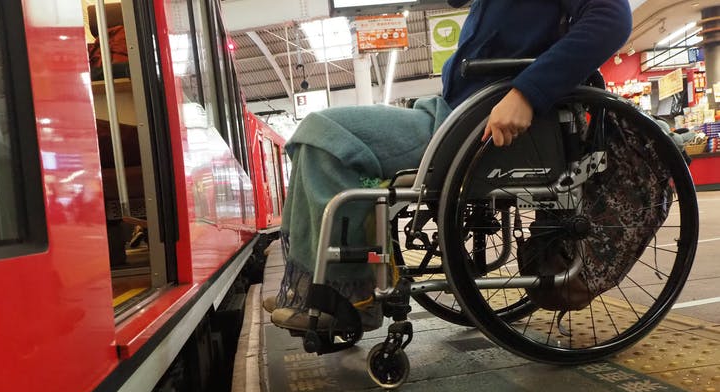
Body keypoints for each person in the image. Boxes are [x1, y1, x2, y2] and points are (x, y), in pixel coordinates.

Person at [269, 0, 633, 331]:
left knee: (322, 134)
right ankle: (305, 289)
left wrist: (527, 92)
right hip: (457, 116)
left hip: (475, 126)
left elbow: (612, 18)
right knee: (313, 141)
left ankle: (346, 296)